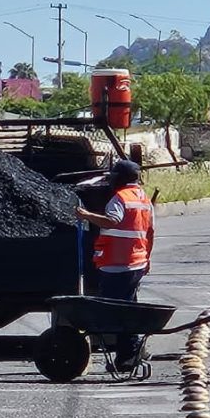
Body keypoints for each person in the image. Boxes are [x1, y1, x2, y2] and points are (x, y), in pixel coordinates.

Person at [76, 159, 155, 371]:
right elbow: (150, 232)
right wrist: (147, 258)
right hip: (135, 263)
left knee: (119, 312)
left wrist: (86, 216)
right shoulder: (143, 198)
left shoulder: (119, 198)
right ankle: (129, 354)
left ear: (120, 178)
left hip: (117, 264)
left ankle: (129, 355)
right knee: (128, 307)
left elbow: (112, 221)